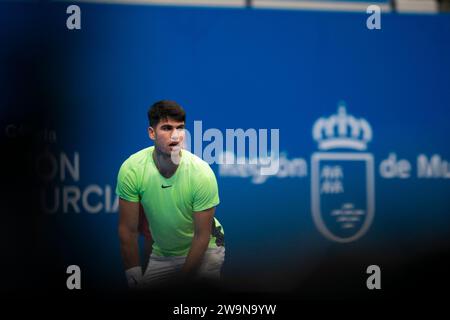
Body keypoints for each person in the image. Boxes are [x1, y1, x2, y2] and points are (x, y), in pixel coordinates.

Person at [116, 100, 225, 289]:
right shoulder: (131, 170)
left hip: (207, 249)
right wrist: (133, 279)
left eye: (180, 128)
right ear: (151, 133)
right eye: (166, 128)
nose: (175, 136)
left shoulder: (201, 173)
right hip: (163, 254)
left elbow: (202, 236)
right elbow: (128, 231)